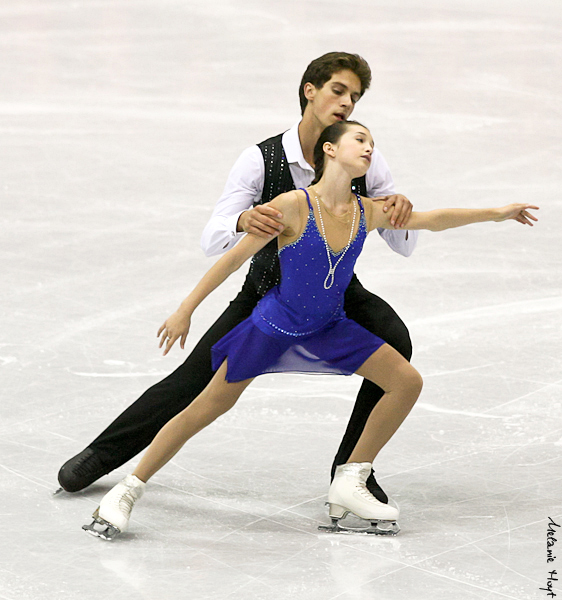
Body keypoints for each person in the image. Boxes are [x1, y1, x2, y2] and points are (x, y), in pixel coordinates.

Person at [82, 120, 538, 540]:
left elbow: (433, 220)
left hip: (328, 328)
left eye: (372, 145)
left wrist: (497, 213)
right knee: (203, 409)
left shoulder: (366, 210)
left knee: (406, 382)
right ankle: (127, 489)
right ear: (330, 149)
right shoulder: (293, 205)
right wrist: (186, 309)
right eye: (360, 140)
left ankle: (351, 478)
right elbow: (233, 259)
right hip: (272, 328)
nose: (369, 149)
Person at [58, 52, 417, 503]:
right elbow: (212, 237)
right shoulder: (261, 158)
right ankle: (101, 454)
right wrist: (243, 220)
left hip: (331, 293)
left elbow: (405, 245)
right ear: (310, 90)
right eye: (337, 90)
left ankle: (351, 472)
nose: (347, 103)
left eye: (355, 96)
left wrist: (398, 209)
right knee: (193, 380)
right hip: (265, 293)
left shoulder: (363, 158)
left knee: (396, 342)